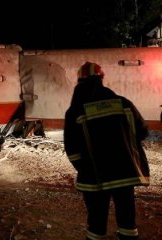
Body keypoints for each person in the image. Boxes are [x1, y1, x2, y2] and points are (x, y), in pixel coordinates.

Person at [63, 62, 150, 240]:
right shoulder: (124, 103)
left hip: (94, 176)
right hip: (125, 173)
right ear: (102, 79)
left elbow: (72, 149)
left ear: (79, 82)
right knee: (127, 219)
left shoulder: (75, 110)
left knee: (96, 221)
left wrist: (84, 168)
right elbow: (142, 132)